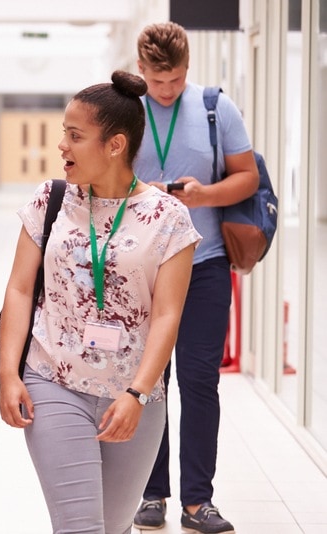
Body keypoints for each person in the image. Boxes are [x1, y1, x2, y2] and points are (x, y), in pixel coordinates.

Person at [0, 70, 201, 533]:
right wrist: (9, 373)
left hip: (134, 396)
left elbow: (168, 314)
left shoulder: (169, 218)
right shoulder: (51, 199)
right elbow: (20, 288)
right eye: (63, 134)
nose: (62, 146)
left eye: (75, 135)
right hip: (54, 381)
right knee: (80, 527)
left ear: (115, 144)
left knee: (114, 527)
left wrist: (138, 394)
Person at [132, 21, 259, 534]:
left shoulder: (214, 107)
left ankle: (197, 502)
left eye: (177, 80)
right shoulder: (126, 110)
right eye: (159, 82)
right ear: (141, 71)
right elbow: (99, 178)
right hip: (140, 269)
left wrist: (203, 195)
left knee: (200, 381)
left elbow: (247, 177)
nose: (168, 91)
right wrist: (148, 191)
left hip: (204, 266)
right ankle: (152, 493)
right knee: (149, 383)